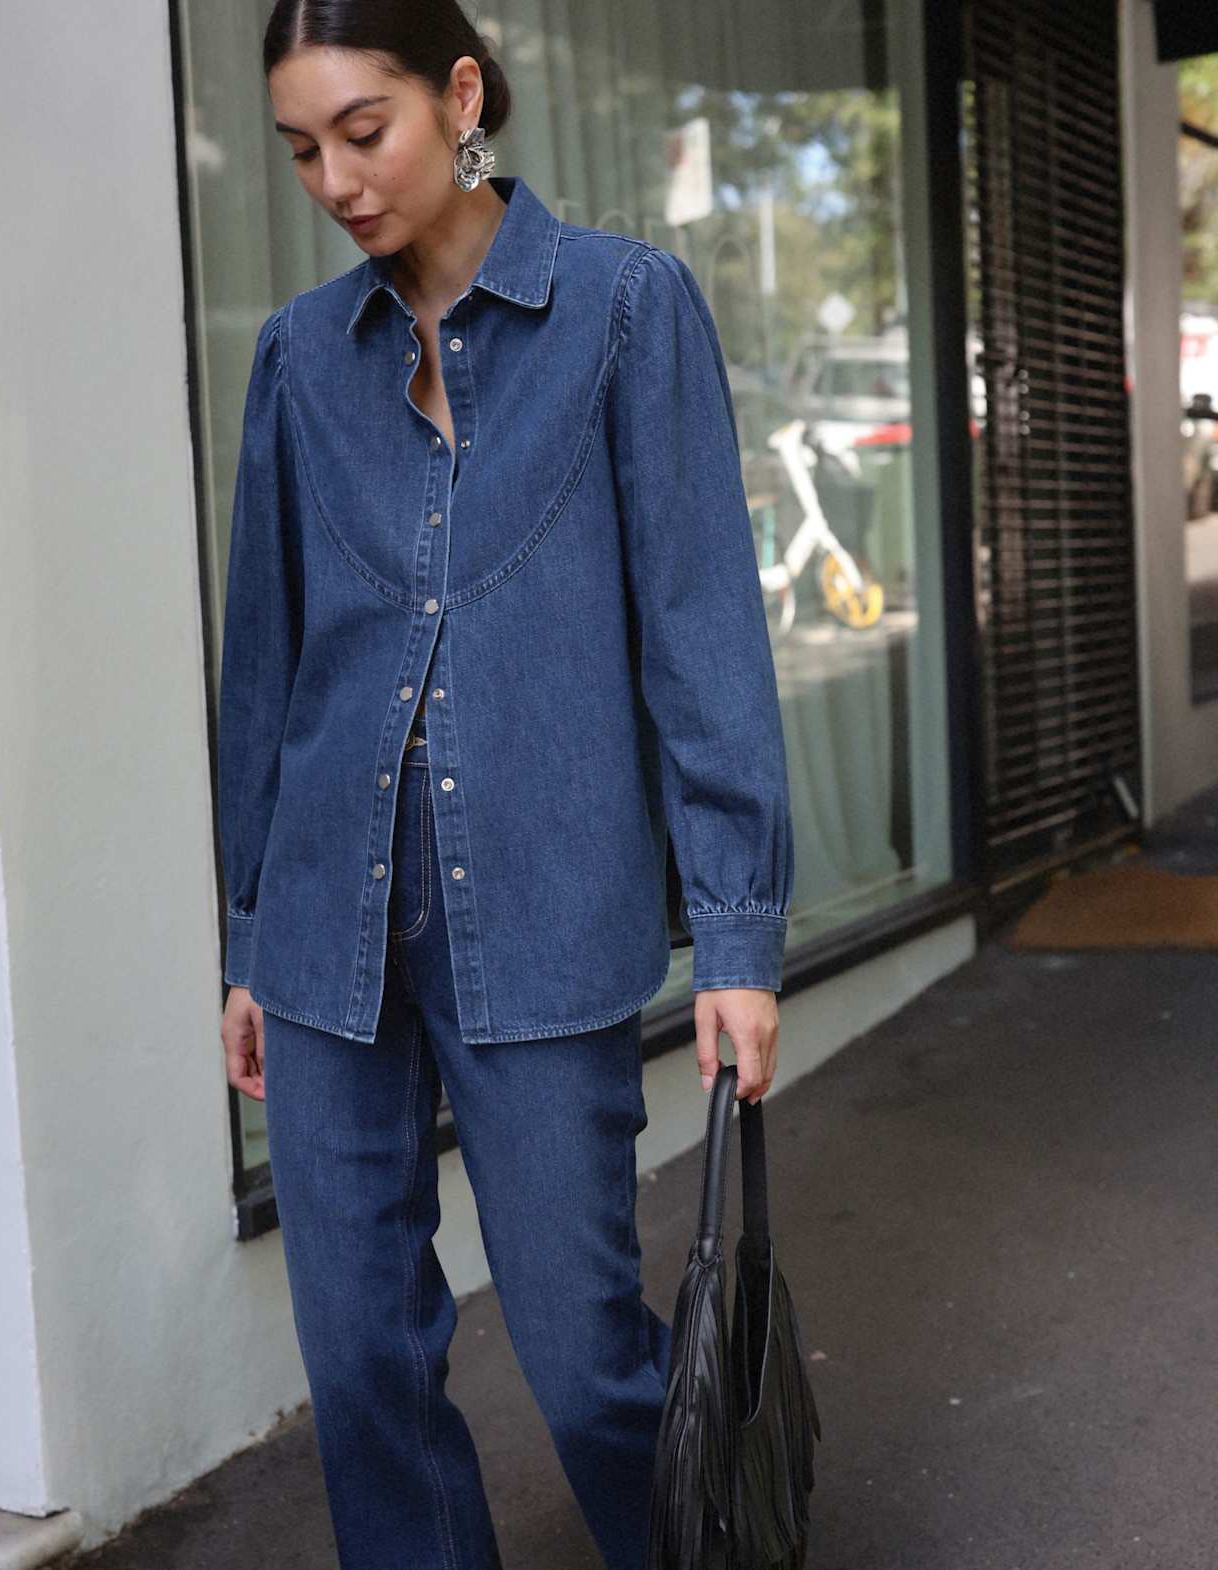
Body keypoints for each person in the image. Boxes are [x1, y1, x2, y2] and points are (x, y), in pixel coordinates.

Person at [216, 3, 795, 1566]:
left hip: (543, 905)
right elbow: (266, 675)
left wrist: (738, 936)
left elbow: (701, 635)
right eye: (300, 150)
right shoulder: (295, 361)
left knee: (593, 1355)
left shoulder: (624, 311)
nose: (334, 180)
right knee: (361, 1366)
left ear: (459, 94)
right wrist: (248, 937)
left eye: (364, 130)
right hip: (328, 932)